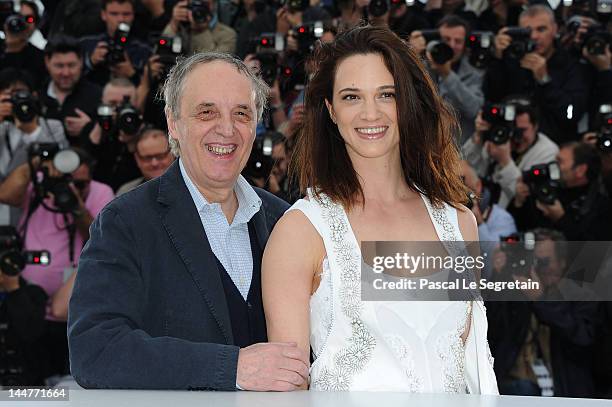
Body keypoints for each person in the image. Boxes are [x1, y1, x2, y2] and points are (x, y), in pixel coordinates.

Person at [262, 26, 498, 393]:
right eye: (352, 97)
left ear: (407, 103)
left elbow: (467, 363)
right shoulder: (301, 230)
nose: (370, 113)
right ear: (331, 110)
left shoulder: (459, 223)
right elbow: (285, 388)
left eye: (386, 94)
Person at [68, 52, 310, 390]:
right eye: (206, 112)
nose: (226, 129)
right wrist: (232, 367)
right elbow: (95, 351)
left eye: (241, 113)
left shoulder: (285, 219)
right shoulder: (125, 221)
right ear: (173, 122)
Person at [40, 35, 103, 146]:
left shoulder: (98, 96)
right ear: (47, 62)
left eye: (71, 65)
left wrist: (89, 127)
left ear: (81, 62)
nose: (66, 73)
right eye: (59, 66)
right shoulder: (37, 95)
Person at [80, 0, 152, 87]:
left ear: (133, 15)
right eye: (114, 14)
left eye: (126, 14)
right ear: (103, 15)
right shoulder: (86, 45)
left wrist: (132, 74)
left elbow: (150, 90)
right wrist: (91, 62)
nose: (121, 19)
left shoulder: (144, 50)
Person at [116, 127, 175, 195]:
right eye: (147, 158)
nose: (154, 163)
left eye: (160, 156)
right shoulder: (126, 193)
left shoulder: (188, 187)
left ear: (172, 154)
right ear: (137, 159)